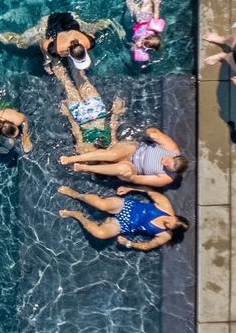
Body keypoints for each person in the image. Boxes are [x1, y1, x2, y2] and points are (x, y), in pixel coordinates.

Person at [55, 185, 188, 251]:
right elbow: (148, 191)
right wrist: (129, 188)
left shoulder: (165, 236)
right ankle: (77, 195)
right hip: (126, 206)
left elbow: (147, 246)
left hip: (124, 225)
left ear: (171, 230)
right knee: (101, 204)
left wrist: (130, 244)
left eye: (170, 224)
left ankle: (77, 215)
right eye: (172, 218)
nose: (168, 220)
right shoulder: (165, 206)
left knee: (99, 234)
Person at [0, 10, 114, 72]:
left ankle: (110, 22)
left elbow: (91, 33)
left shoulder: (88, 41)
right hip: (49, 23)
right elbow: (42, 43)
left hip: (70, 17)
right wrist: (47, 60)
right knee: (21, 42)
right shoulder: (59, 49)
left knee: (93, 27)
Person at [57, 126, 188, 187]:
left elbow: (137, 180)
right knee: (113, 155)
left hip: (133, 168)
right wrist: (151, 134)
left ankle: (84, 168)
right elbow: (151, 130)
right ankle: (73, 159)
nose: (164, 163)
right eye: (167, 161)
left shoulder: (166, 178)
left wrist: (128, 176)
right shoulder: (171, 148)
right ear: (174, 156)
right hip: (134, 150)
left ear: (173, 172)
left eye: (168, 167)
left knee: (122, 169)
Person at [49, 57, 124, 153]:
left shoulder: (84, 151)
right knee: (78, 78)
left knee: (66, 82)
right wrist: (116, 113)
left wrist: (68, 115)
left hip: (84, 115)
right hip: (94, 112)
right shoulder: (111, 148)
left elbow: (77, 133)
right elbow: (112, 128)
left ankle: (52, 54)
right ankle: (71, 53)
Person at [124, 0, 181, 66]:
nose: (140, 43)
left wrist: (135, 47)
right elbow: (156, 17)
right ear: (148, 37)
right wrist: (156, 4)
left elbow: (133, 47)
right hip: (144, 16)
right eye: (143, 42)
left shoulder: (146, 46)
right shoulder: (151, 30)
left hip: (139, 20)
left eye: (143, 44)